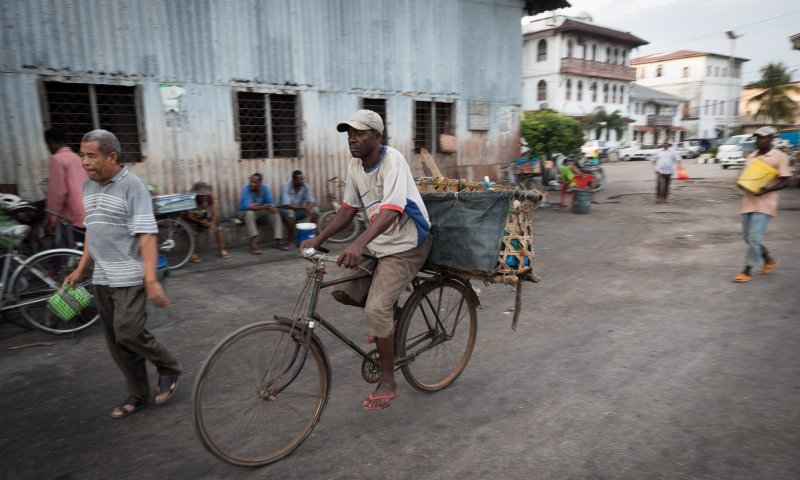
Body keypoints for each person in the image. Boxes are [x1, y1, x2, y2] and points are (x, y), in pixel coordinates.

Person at [301, 109, 432, 411]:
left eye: (359, 133)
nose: (352, 139)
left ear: (377, 136)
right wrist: (317, 240)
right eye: (349, 133)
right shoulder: (355, 166)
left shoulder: (393, 161)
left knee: (375, 309)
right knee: (343, 290)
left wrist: (359, 244)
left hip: (408, 245)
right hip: (380, 245)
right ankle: (393, 315)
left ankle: (388, 380)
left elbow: (391, 210)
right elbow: (347, 211)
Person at [64, 129, 180, 419]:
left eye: (91, 155)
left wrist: (151, 281)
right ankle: (138, 393)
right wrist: (81, 269)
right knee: (117, 340)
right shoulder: (89, 187)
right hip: (102, 277)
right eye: (82, 155)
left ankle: (168, 366)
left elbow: (147, 235)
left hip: (129, 274)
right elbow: (94, 229)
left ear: (112, 157)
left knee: (128, 331)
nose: (85, 162)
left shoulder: (132, 186)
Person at [732, 126, 792, 283]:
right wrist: (741, 183)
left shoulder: (779, 157)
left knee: (754, 238)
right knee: (749, 238)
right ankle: (769, 260)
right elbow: (744, 177)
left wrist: (767, 190)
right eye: (757, 137)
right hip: (748, 201)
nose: (759, 140)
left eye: (763, 137)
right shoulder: (751, 157)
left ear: (771, 138)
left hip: (766, 203)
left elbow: (786, 180)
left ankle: (747, 270)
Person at [44, 128, 88, 247]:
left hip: (71, 215)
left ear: (50, 142)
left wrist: (52, 217)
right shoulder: (76, 157)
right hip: (86, 210)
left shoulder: (58, 159)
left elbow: (58, 192)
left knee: (65, 253)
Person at [238, 173, 286, 253]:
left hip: (258, 212)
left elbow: (270, 203)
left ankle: (279, 240)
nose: (251, 184)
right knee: (249, 213)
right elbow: (247, 207)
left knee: (275, 213)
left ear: (260, 183)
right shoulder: (245, 188)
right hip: (243, 213)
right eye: (251, 182)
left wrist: (271, 208)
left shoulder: (265, 188)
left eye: (254, 182)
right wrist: (263, 207)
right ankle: (253, 243)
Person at [186, 181, 230, 262]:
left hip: (204, 217)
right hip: (193, 220)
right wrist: (200, 222)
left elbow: (215, 211)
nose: (204, 196)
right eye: (201, 195)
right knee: (189, 228)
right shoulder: (191, 198)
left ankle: (221, 250)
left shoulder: (210, 197)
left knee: (218, 225)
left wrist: (212, 222)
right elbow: (190, 215)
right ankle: (193, 253)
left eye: (205, 194)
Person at [278, 170, 319, 247]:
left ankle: (315, 236)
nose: (302, 181)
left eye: (303, 179)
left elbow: (311, 201)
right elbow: (287, 205)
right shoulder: (286, 187)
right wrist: (304, 208)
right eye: (300, 180)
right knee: (290, 213)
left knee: (315, 210)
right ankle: (291, 239)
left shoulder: (305, 186)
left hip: (298, 210)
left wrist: (309, 208)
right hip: (284, 210)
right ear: (294, 180)